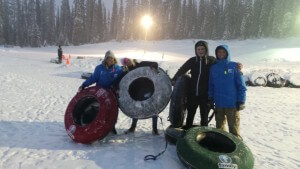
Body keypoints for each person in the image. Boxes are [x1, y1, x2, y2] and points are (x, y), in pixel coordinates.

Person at [171, 41, 216, 128]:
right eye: (198, 49)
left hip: (205, 95)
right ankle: (187, 131)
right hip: (192, 94)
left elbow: (222, 67)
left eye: (202, 49)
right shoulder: (192, 60)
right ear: (196, 50)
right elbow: (182, 70)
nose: (200, 51)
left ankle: (204, 135)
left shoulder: (212, 60)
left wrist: (236, 67)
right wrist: (174, 79)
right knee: (190, 115)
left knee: (204, 117)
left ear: (206, 49)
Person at [78, 50, 124, 134]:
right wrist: (84, 85)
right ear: (105, 59)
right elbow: (93, 78)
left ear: (114, 59)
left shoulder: (118, 69)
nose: (110, 60)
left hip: (112, 94)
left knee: (113, 110)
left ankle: (112, 126)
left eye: (111, 59)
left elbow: (121, 80)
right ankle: (96, 125)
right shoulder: (99, 68)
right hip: (100, 93)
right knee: (99, 109)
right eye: (108, 58)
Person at [208, 45, 247, 138]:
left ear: (227, 53)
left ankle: (237, 150)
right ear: (216, 54)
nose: (221, 54)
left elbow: (241, 85)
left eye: (223, 52)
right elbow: (211, 85)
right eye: (219, 52)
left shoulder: (234, 66)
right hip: (219, 105)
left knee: (234, 131)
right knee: (220, 130)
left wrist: (241, 100)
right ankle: (222, 147)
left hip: (232, 105)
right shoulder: (213, 68)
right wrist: (210, 98)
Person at [120, 57, 160, 135]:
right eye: (125, 62)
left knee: (154, 108)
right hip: (136, 93)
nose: (128, 62)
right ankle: (133, 127)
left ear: (131, 59)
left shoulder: (141, 64)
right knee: (136, 109)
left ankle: (154, 129)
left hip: (148, 89)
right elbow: (121, 81)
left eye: (128, 60)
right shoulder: (126, 71)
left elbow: (155, 63)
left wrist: (153, 67)